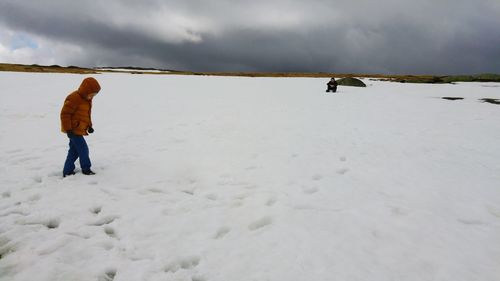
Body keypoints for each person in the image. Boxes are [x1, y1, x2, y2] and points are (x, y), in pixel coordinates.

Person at [60, 77, 101, 177]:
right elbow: (65, 114)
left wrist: (89, 126)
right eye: (92, 94)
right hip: (73, 130)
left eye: (94, 95)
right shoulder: (73, 98)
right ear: (86, 90)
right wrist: (68, 129)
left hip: (79, 129)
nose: (92, 96)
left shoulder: (87, 100)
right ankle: (86, 169)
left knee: (74, 151)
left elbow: (86, 115)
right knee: (83, 149)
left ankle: (67, 171)